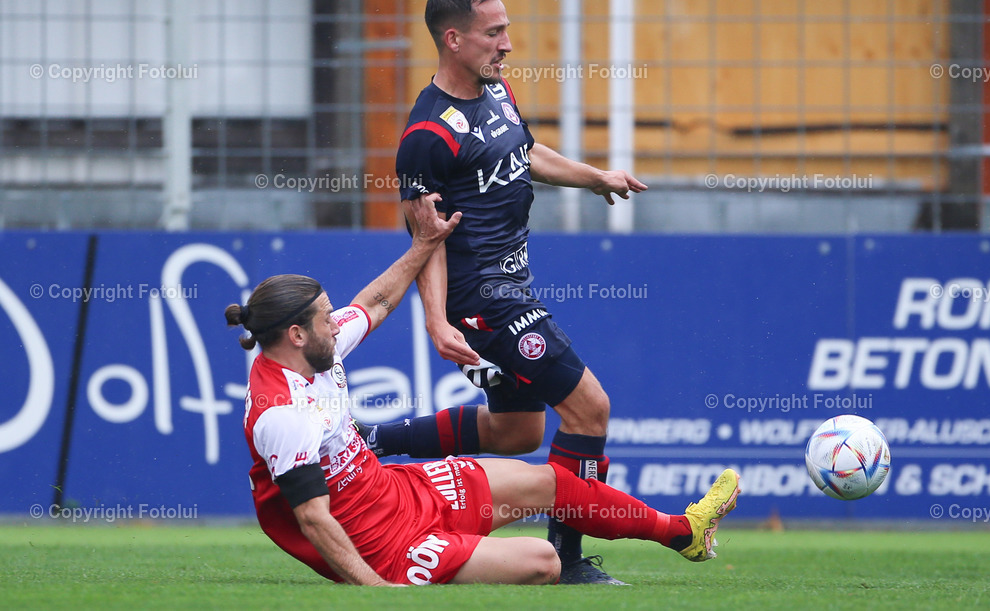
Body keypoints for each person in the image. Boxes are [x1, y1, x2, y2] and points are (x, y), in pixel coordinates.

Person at [226, 194, 741, 585]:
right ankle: (462, 552)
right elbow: (313, 519)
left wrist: (424, 244)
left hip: (400, 490)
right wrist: (375, 589)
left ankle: (685, 532)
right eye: (325, 320)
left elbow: (378, 301)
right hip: (383, 546)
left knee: (546, 482)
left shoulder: (319, 348)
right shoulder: (280, 412)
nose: (336, 325)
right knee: (545, 561)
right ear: (295, 335)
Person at [365, 0, 648, 583]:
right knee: (589, 410)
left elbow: (527, 151)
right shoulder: (426, 135)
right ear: (454, 39)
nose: (507, 44)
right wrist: (437, 319)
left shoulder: (497, 93)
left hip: (512, 286)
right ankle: (568, 561)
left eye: (506, 29)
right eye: (494, 33)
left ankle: (371, 439)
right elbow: (426, 240)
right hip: (481, 300)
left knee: (517, 433)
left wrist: (594, 175)